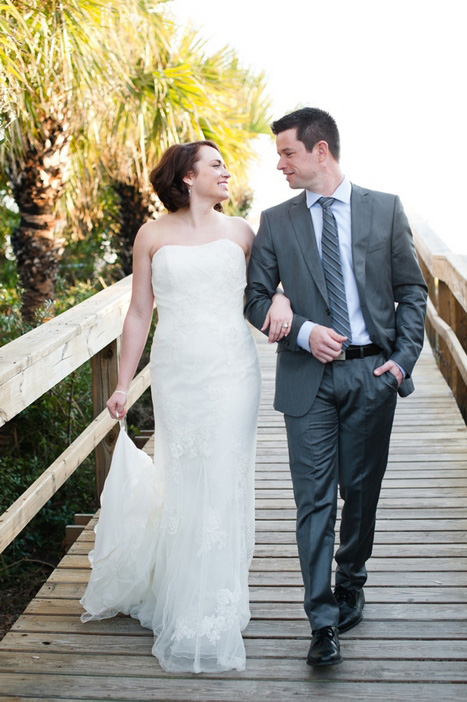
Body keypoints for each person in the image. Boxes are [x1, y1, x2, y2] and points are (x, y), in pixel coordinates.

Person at [80, 140, 287, 673]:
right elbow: (138, 312)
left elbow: (269, 290)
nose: (226, 172)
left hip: (233, 372)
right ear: (187, 177)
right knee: (185, 475)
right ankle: (182, 588)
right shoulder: (151, 234)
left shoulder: (242, 231)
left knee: (224, 476)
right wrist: (124, 383)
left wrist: (283, 299)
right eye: (215, 164)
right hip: (176, 373)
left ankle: (216, 601)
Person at [245, 108, 427, 667]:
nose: (279, 164)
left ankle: (353, 577)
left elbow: (413, 291)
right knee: (314, 501)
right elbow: (253, 298)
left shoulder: (385, 208)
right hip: (307, 381)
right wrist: (299, 329)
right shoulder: (275, 221)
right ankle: (321, 619)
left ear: (320, 150)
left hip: (371, 375)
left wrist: (399, 363)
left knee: (361, 493)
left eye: (288, 153)